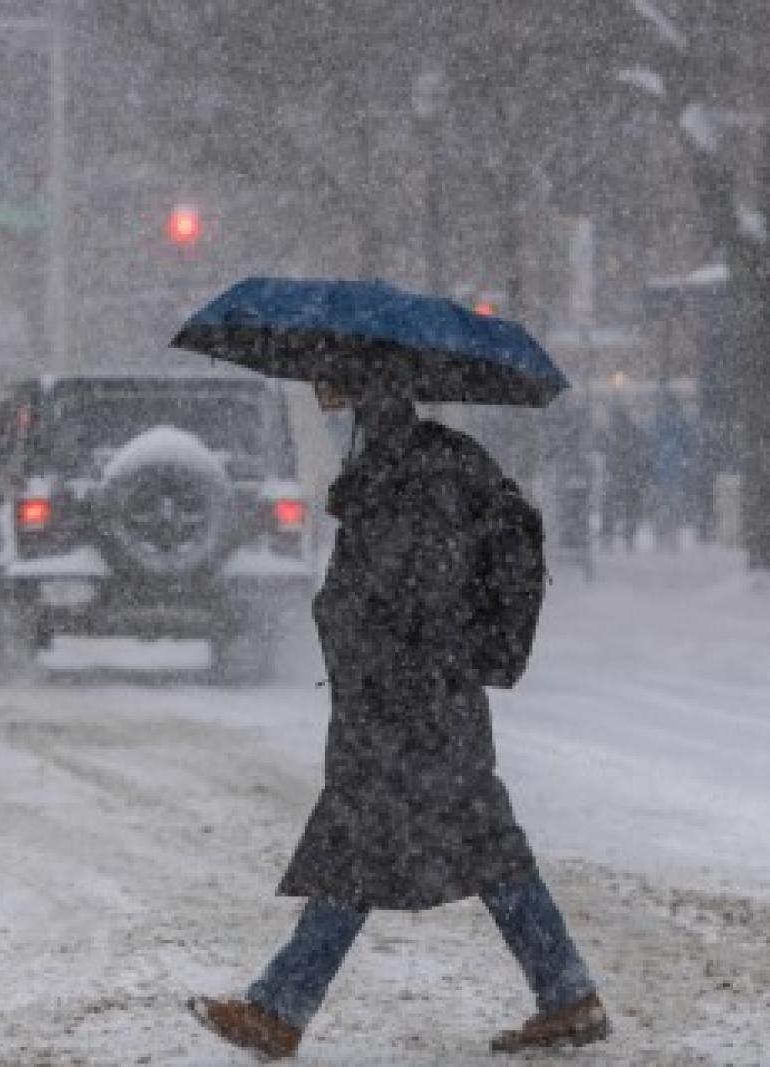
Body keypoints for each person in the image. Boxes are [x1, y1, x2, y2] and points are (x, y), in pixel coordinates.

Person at [188, 372, 608, 1059]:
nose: (325, 416)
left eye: (332, 401)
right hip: (427, 701)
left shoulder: (407, 481)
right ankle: (566, 993)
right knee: (477, 844)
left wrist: (382, 660)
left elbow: (413, 596)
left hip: (410, 705)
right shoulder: (414, 466)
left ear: (366, 399)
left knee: (361, 845)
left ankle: (279, 1008)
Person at [647, 386, 699, 552]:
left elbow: (649, 442)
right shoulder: (680, 422)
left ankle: (660, 537)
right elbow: (690, 443)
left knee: (661, 506)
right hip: (675, 471)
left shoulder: (657, 421)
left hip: (659, 472)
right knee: (673, 506)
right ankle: (671, 537)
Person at [598, 403, 648, 552]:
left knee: (609, 509)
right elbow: (641, 454)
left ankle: (608, 538)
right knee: (630, 509)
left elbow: (602, 448)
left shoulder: (610, 433)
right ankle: (629, 538)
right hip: (630, 477)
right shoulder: (634, 431)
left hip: (615, 476)